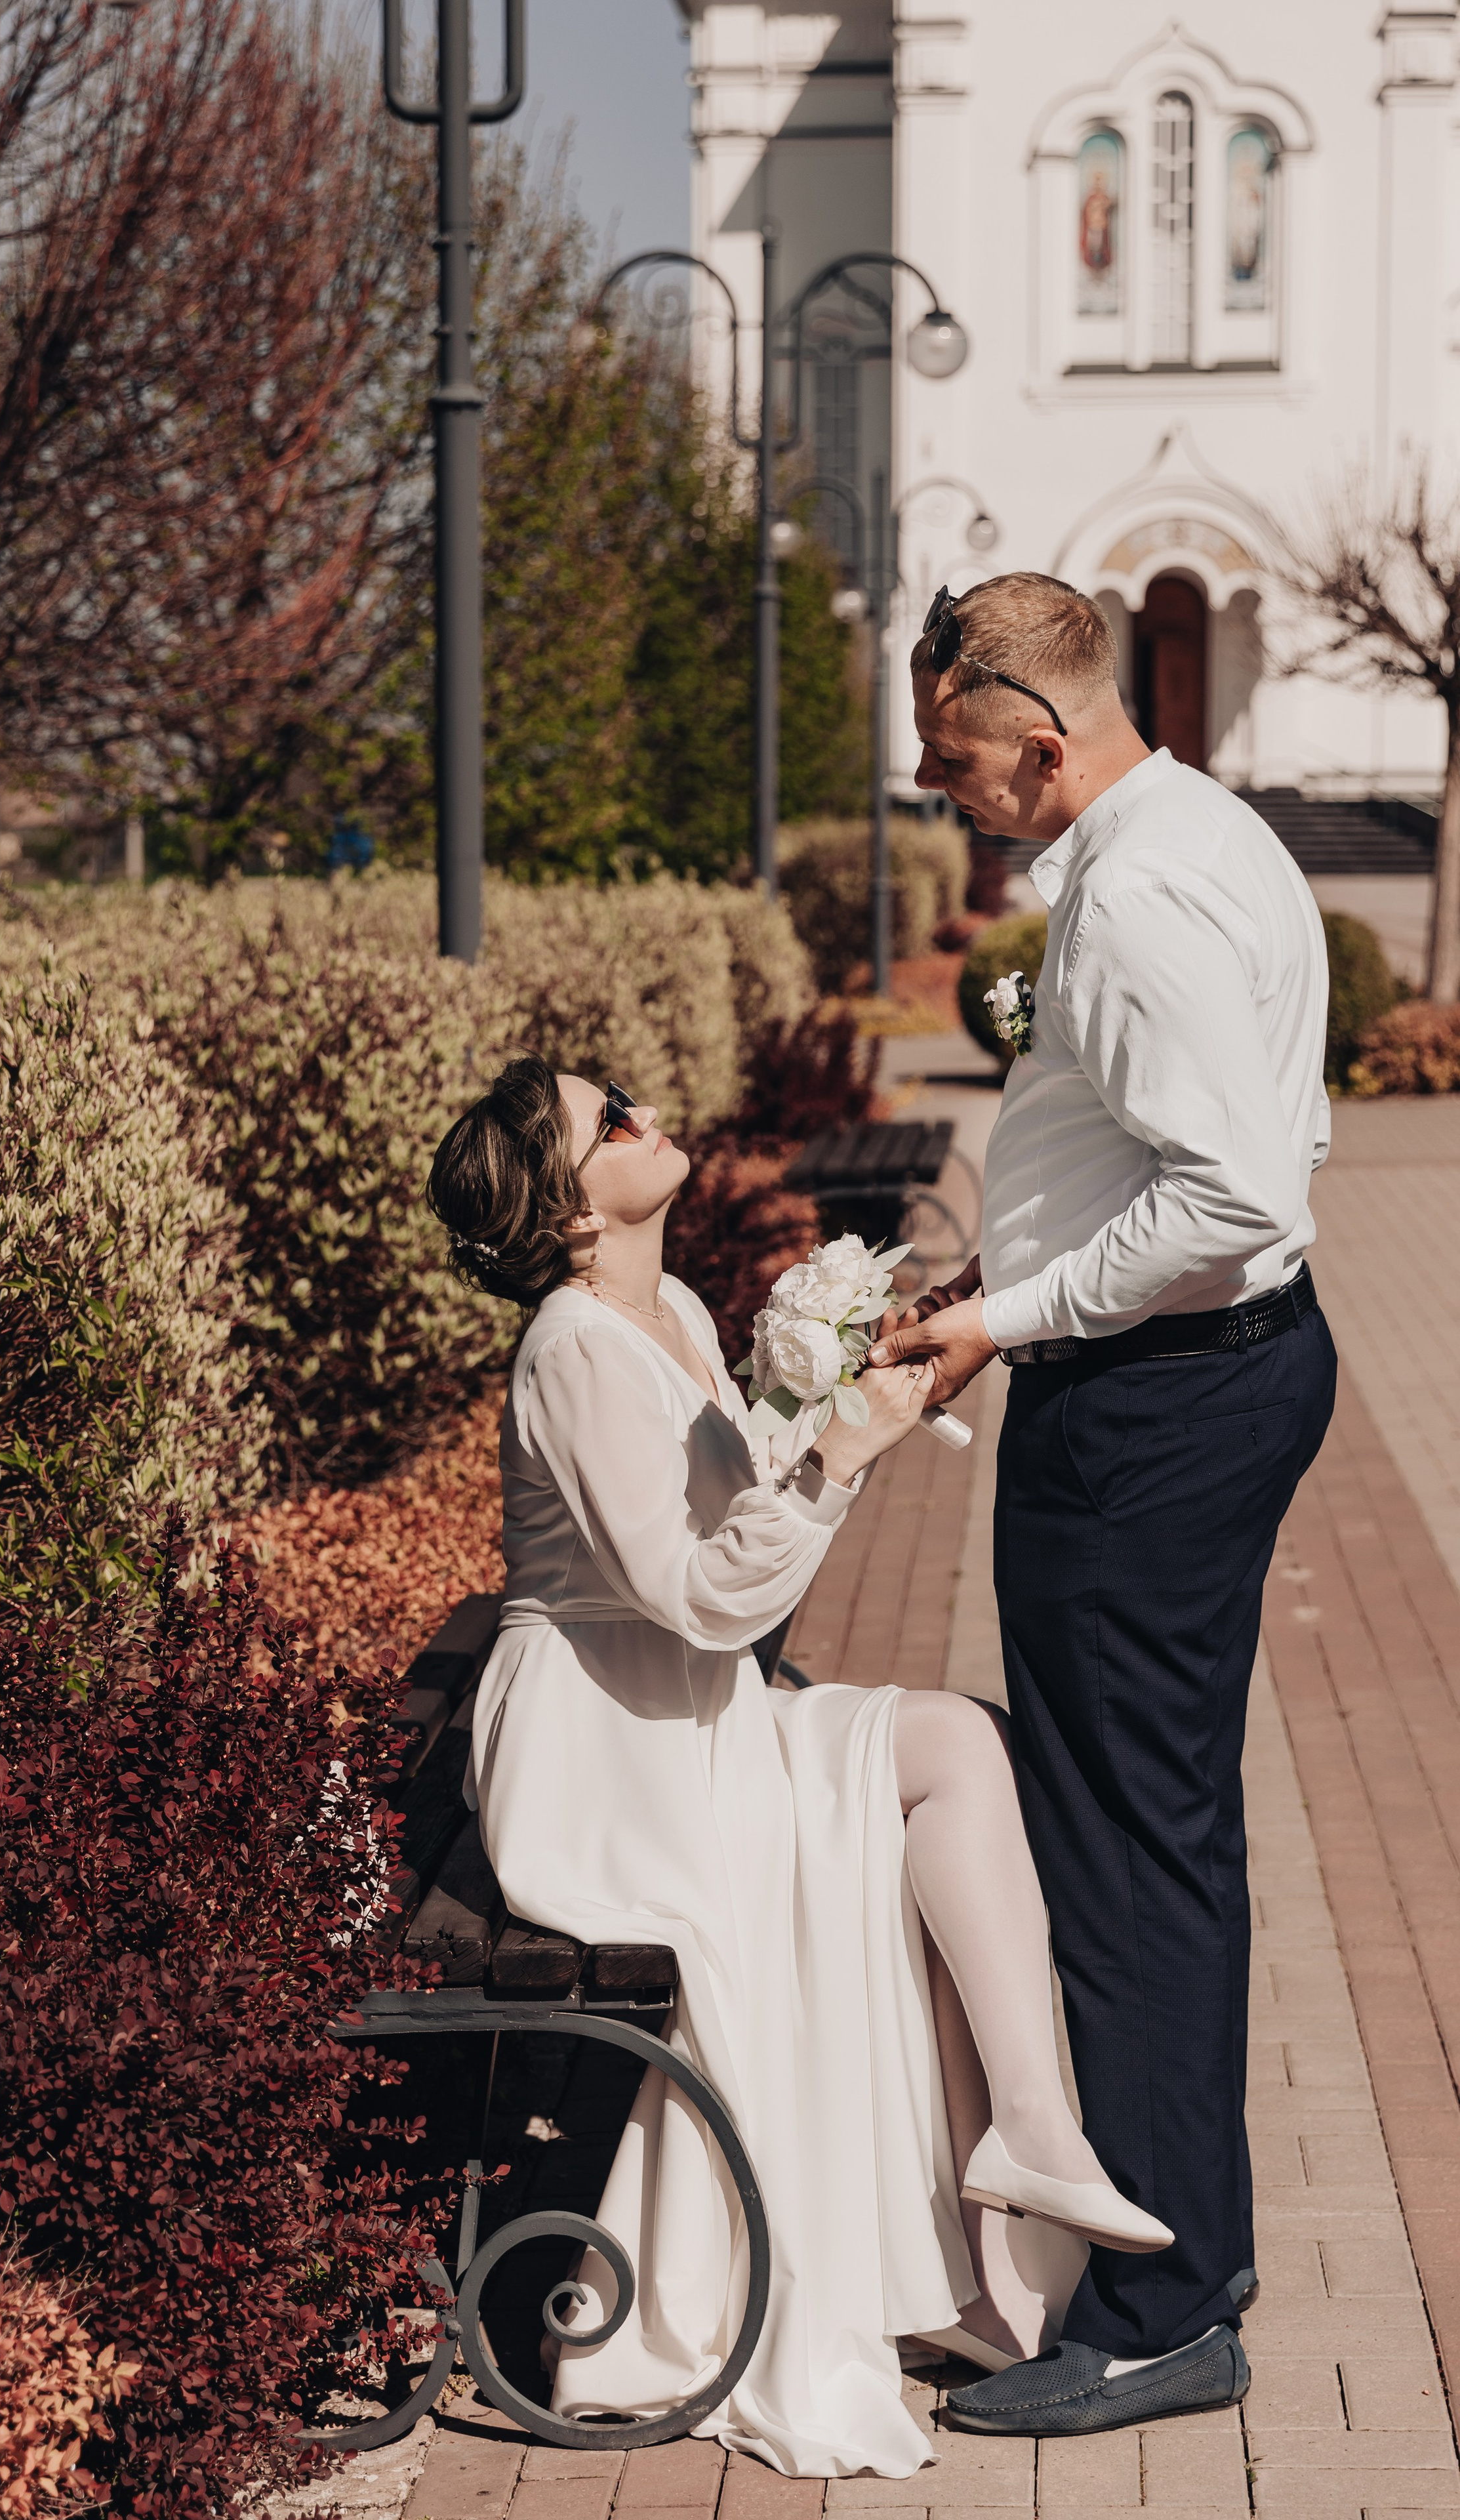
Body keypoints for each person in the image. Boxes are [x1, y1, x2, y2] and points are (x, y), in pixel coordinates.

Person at [426, 1058, 1169, 2480]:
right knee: (876, 1814)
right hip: (607, 1747)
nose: (644, 1117)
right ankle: (972, 2253)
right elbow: (692, 1592)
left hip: (694, 1706)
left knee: (953, 1743)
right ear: (570, 1199)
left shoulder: (676, 1312)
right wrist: (834, 1454)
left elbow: (740, 1513)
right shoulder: (572, 1349)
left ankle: (1024, 2134)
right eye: (610, 1120)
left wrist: (832, 1401)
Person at [868, 573, 1337, 2436]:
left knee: (1122, 1846)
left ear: (1039, 740)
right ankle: (1187, 2248)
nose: (933, 778)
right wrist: (1016, 1275)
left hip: (1151, 1411)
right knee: (1164, 1834)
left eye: (946, 748)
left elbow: (1236, 1197)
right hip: (1196, 1384)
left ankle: (1150, 2314)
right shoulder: (1198, 829)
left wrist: (1001, 1310)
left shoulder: (1135, 894)